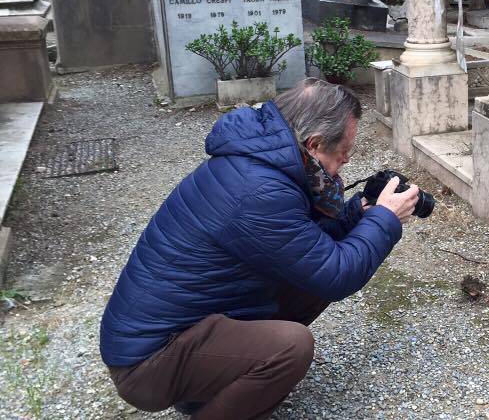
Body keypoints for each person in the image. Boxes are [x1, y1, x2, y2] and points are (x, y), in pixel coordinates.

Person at [99, 79, 419, 419]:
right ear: (313, 144)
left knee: (313, 280)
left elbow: (306, 245)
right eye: (341, 156)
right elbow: (338, 274)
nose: (345, 164)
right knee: (291, 347)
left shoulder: (260, 161)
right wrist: (385, 219)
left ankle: (208, 388)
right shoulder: (259, 191)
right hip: (147, 363)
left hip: (182, 329)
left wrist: (359, 214)